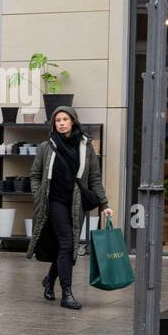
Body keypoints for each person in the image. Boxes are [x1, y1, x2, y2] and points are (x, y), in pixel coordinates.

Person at [26, 104, 112, 311]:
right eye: (58, 120)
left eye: (65, 119)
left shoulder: (86, 147)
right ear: (54, 124)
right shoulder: (47, 147)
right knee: (66, 243)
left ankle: (49, 280)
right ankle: (67, 293)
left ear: (73, 121)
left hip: (76, 203)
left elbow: (94, 178)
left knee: (66, 246)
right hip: (53, 201)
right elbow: (35, 175)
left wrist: (104, 204)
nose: (62, 123)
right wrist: (38, 196)